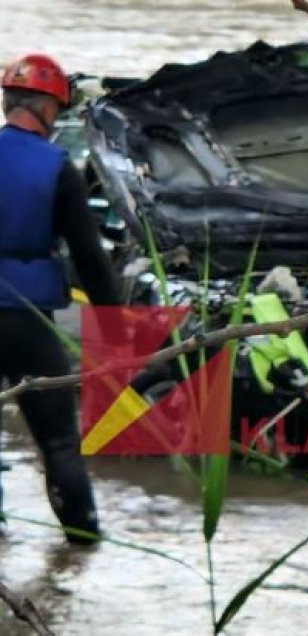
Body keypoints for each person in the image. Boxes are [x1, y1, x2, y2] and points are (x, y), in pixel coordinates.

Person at [0, 53, 121, 544]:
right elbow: (90, 258)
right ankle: (83, 546)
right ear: (49, 110)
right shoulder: (57, 166)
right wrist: (116, 322)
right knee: (58, 443)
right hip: (29, 320)